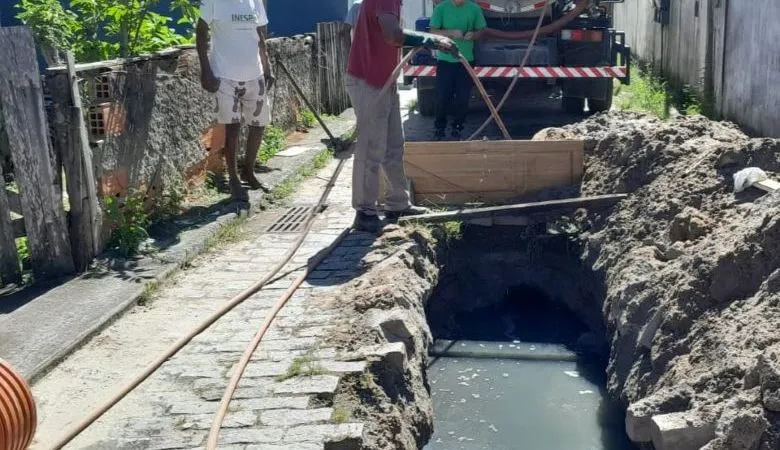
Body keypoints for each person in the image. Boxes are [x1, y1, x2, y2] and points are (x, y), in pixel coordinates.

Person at [346, 0, 458, 233]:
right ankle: (364, 212)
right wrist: (432, 40)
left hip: (383, 80)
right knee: (371, 148)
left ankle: (397, 204)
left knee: (394, 145)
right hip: (369, 81)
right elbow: (393, 35)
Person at [196, 0, 276, 202]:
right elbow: (201, 33)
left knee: (259, 124)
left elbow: (260, 35)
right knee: (232, 128)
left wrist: (267, 66)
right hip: (225, 75)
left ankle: (248, 171)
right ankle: (233, 180)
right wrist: (205, 70)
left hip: (255, 73)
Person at [430, 0, 486, 140]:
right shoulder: (441, 8)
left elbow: (481, 31)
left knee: (463, 97)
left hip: (466, 60)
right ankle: (439, 129)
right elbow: (433, 31)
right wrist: (450, 33)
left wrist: (473, 35)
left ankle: (458, 128)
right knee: (442, 96)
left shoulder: (474, 9)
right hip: (445, 60)